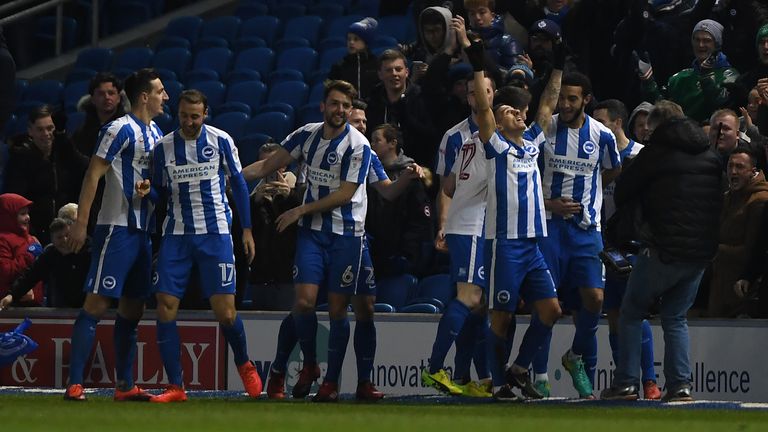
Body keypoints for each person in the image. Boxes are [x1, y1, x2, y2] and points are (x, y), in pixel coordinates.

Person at [242, 80, 374, 402]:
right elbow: (268, 165)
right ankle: (311, 365)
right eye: (335, 104)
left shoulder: (359, 145)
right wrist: (230, 175)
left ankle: (330, 383)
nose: (340, 110)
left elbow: (345, 193)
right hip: (313, 233)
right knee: (302, 302)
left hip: (346, 234)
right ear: (323, 106)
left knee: (339, 310)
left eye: (345, 105)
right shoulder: (305, 135)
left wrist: (300, 209)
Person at [134, 89, 261, 402]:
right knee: (165, 306)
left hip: (215, 234)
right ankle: (176, 386)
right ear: (177, 114)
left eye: (195, 116)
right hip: (175, 237)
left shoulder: (220, 140)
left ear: (205, 114)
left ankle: (244, 362)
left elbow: (240, 184)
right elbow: (159, 195)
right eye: (184, 116)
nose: (189, 122)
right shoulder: (163, 147)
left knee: (226, 313)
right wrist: (146, 193)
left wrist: (246, 229)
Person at [464, 34, 564, 401]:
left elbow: (548, 103)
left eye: (521, 113)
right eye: (513, 112)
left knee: (551, 311)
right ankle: (499, 382)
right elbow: (485, 112)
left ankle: (519, 368)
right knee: (501, 317)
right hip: (504, 243)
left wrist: (557, 67)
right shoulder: (496, 146)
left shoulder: (532, 142)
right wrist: (478, 64)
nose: (521, 116)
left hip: (532, 245)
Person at [601, 100, 722, 402]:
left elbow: (625, 189)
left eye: (649, 130)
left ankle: (627, 383)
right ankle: (680, 385)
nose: (646, 135)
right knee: (675, 316)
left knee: (631, 312)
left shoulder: (654, 155)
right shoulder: (709, 154)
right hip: (699, 254)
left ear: (659, 127)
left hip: (661, 249)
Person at [63, 68, 168, 402]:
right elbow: (93, 174)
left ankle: (124, 385)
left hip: (143, 230)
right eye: (160, 91)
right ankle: (75, 383)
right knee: (96, 302)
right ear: (143, 96)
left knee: (132, 309)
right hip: (116, 227)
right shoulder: (117, 129)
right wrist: (82, 223)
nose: (165, 97)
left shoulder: (157, 133)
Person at [534, 71, 622, 399]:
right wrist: (550, 204)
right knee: (547, 302)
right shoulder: (544, 131)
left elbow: (612, 169)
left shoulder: (601, 136)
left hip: (587, 231)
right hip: (548, 226)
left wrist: (590, 197)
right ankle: (539, 375)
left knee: (595, 299)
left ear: (586, 99)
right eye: (562, 98)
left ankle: (575, 357)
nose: (566, 104)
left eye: (573, 98)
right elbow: (526, 178)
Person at [424, 18, 495, 395]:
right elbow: (445, 188)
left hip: (489, 229)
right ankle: (436, 368)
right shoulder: (455, 137)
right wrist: (442, 224)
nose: (478, 97)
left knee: (478, 304)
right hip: (470, 227)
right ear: (467, 97)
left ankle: (471, 377)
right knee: (470, 297)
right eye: (472, 92)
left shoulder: (504, 133)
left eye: (484, 90)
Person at [592, 99, 660, 400]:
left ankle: (649, 380)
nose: (596, 128)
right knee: (615, 315)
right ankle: (625, 381)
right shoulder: (594, 157)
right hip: (602, 244)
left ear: (617, 123)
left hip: (633, 243)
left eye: (602, 121)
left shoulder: (641, 155)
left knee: (636, 312)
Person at [4, 105, 88, 245]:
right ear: (30, 131)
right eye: (40, 129)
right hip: (37, 232)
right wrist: (29, 235)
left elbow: (85, 168)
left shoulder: (64, 151)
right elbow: (15, 203)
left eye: (50, 128)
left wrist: (63, 138)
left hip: (69, 228)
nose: (46, 134)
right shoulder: (19, 160)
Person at [366, 123, 433, 279]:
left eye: (377, 140)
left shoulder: (412, 175)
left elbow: (421, 219)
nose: (372, 144)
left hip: (403, 254)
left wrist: (407, 253)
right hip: (378, 252)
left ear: (392, 143)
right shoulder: (371, 174)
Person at [639, 19, 740, 123]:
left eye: (707, 40)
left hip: (711, 134)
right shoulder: (680, 77)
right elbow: (662, 110)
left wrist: (706, 77)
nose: (700, 45)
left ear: (717, 44)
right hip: (679, 134)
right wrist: (648, 82)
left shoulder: (730, 75)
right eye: (697, 40)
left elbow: (721, 105)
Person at [707, 148, 768, 318]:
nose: (733, 171)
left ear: (752, 172)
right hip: (720, 280)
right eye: (730, 166)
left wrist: (714, 249)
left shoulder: (760, 201)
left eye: (740, 167)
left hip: (743, 286)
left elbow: (753, 250)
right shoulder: (728, 197)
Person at [1, 217, 88, 309]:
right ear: (52, 240)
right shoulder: (50, 254)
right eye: (59, 237)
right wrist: (12, 296)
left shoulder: (89, 251)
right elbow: (30, 276)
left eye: (67, 235)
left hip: (89, 308)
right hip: (60, 308)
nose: (64, 240)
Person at [0, 193, 43, 307]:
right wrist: (28, 256)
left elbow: (38, 274)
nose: (27, 217)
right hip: (10, 308)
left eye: (28, 213)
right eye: (22, 214)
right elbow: (4, 272)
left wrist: (35, 294)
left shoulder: (31, 239)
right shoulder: (2, 240)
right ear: (9, 216)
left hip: (34, 306)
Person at [73, 72, 126, 157]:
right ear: (92, 99)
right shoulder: (83, 130)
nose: (107, 97)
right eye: (101, 94)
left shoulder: (129, 127)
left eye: (111, 93)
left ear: (119, 98)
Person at [328, 18, 380, 100]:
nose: (351, 42)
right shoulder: (338, 66)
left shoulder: (377, 64)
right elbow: (329, 91)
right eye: (349, 39)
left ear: (365, 42)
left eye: (356, 39)